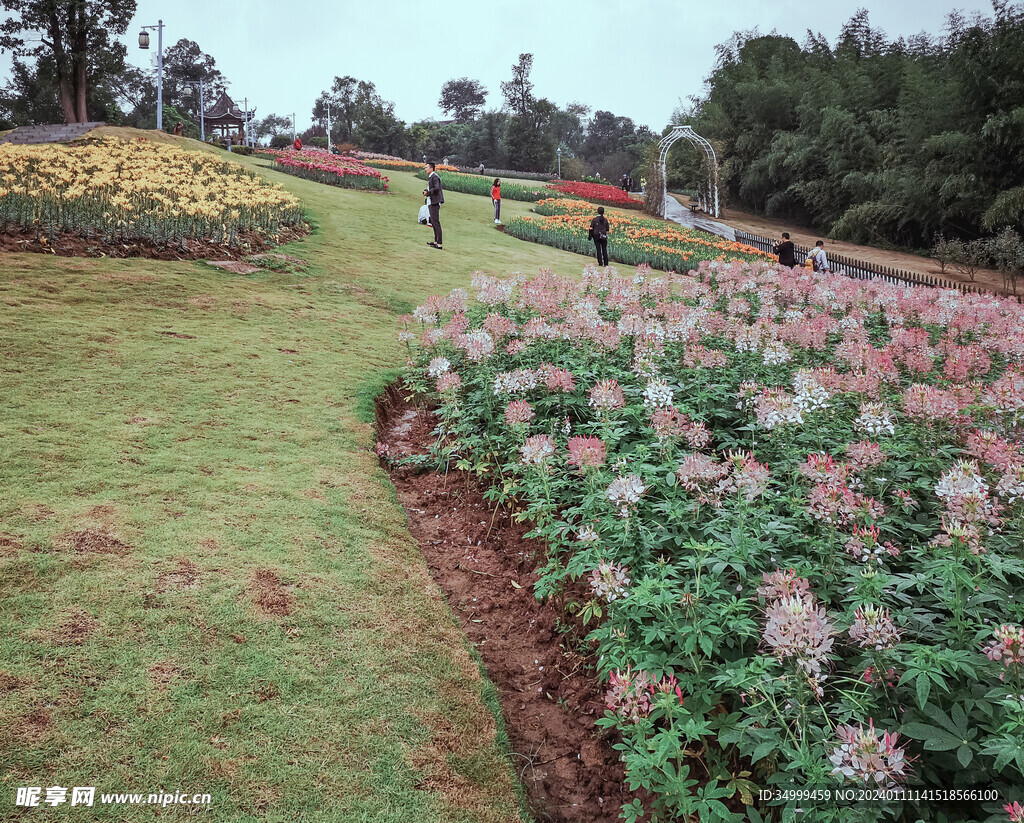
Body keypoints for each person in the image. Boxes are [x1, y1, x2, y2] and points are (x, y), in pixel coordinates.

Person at [423, 161, 444, 249]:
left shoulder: (435, 177)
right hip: (432, 201)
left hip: (435, 202)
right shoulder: (431, 177)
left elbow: (436, 188)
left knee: (436, 222)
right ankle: (436, 241)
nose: (425, 169)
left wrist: (428, 193)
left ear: (431, 168)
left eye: (426, 167)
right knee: (434, 222)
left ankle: (439, 243)